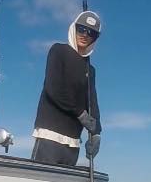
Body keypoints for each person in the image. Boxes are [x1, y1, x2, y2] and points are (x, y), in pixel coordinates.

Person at [31, 11, 103, 166]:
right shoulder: (58, 51)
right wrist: (80, 113)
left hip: (73, 142)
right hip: (49, 135)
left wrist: (97, 133)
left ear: (95, 39)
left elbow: (92, 102)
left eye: (91, 33)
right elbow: (54, 88)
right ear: (73, 28)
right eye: (81, 29)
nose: (85, 35)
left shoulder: (90, 70)